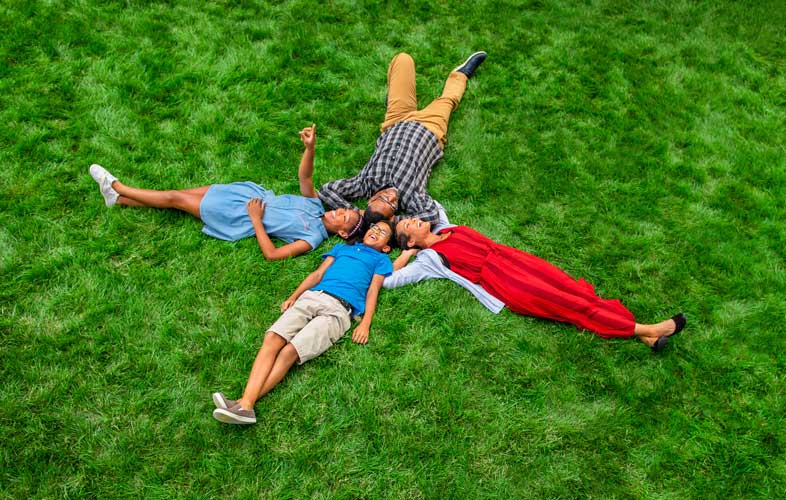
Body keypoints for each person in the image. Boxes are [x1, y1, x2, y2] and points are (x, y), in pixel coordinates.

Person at [386, 207, 687, 352]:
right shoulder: (429, 260)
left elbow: (430, 201)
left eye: (410, 217)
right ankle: (646, 329)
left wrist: (388, 211)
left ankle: (647, 337)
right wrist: (404, 256)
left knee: (574, 289)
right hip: (506, 282)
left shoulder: (447, 226)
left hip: (516, 260)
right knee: (571, 306)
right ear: (411, 242)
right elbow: (389, 280)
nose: (413, 219)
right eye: (408, 226)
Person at [212, 220, 395, 424]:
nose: (376, 231)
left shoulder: (381, 260)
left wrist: (365, 323)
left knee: (289, 351)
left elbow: (373, 290)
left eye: (383, 232)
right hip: (313, 296)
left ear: (386, 247)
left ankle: (243, 404)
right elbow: (317, 274)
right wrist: (294, 296)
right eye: (374, 228)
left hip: (338, 310)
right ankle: (244, 405)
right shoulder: (342, 248)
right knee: (272, 338)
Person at [88, 125, 362, 260]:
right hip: (244, 194)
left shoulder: (312, 237)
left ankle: (116, 185)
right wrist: (310, 149)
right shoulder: (315, 205)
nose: (339, 210)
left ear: (342, 233)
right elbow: (306, 176)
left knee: (174, 198)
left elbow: (273, 255)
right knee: (179, 196)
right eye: (345, 209)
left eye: (344, 218)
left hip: (238, 214)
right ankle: (120, 200)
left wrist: (256, 219)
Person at [318, 51, 487, 227]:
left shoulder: (364, 184)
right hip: (431, 128)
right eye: (392, 205)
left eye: (383, 198)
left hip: (396, 121)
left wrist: (357, 215)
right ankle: (460, 75)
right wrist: (394, 222)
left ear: (370, 200)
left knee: (403, 59)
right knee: (448, 100)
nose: (391, 197)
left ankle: (392, 100)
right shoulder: (411, 197)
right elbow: (431, 215)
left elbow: (326, 191)